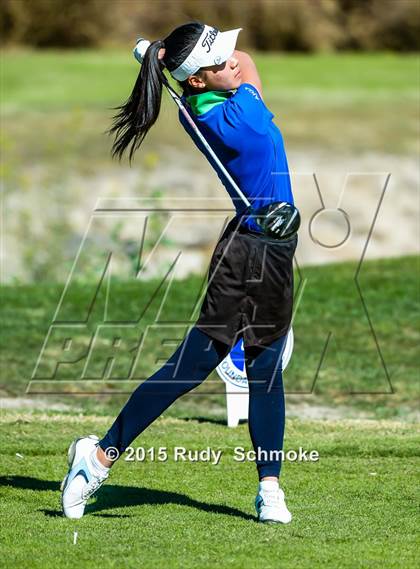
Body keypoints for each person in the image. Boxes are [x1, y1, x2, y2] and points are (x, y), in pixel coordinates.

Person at [61, 21, 298, 524]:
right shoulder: (238, 116)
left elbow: (237, 64)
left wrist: (173, 55)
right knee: (193, 366)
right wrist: (166, 54)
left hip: (272, 246)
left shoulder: (209, 100)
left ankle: (269, 488)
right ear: (196, 82)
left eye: (226, 52)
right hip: (250, 250)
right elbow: (250, 65)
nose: (233, 60)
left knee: (266, 367)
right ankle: (97, 458)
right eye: (219, 62)